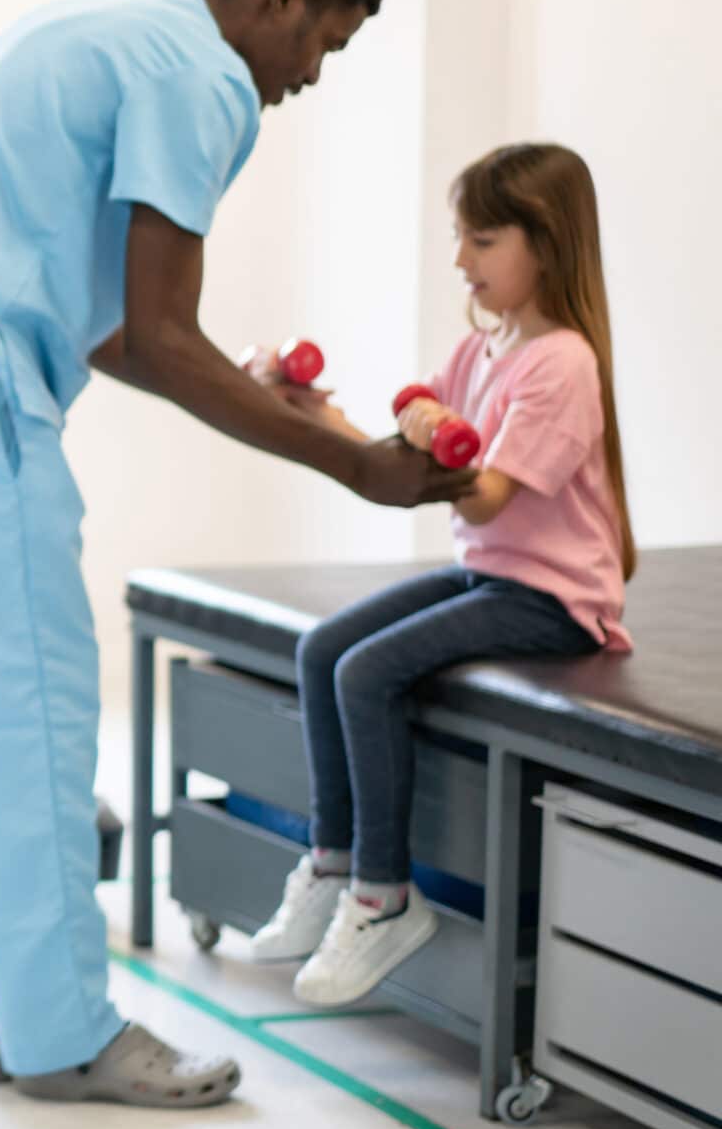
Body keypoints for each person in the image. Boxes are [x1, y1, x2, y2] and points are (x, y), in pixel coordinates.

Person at [0, 0, 475, 1107]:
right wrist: (358, 466)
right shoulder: (206, 82)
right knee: (33, 706)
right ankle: (65, 1034)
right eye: (323, 41)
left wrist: (268, 400)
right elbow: (161, 340)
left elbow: (113, 326)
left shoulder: (126, 27)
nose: (311, 76)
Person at [250, 142, 632, 1003]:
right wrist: (310, 412)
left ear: (547, 244)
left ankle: (384, 899)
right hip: (490, 575)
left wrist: (427, 443)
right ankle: (331, 862)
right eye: (461, 238)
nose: (461, 259)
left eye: (483, 240)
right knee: (322, 650)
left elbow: (485, 497)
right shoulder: (484, 351)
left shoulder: (563, 363)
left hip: (553, 599)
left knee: (367, 670)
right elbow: (400, 456)